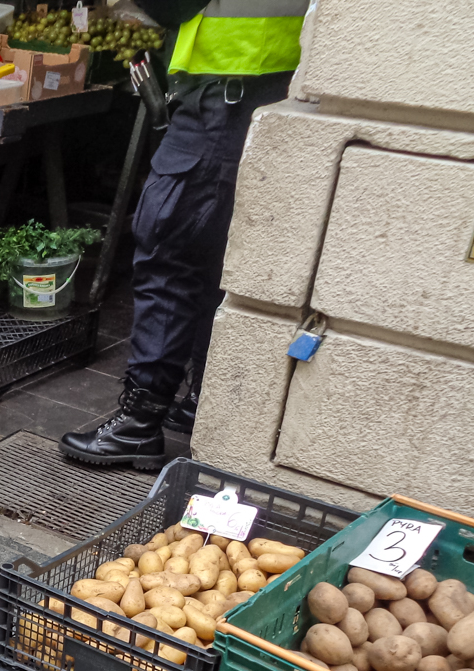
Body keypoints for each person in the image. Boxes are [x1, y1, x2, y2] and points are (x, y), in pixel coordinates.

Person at [60, 0, 307, 470]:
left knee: (168, 255)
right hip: (260, 95)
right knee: (214, 259)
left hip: (223, 104)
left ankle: (139, 425)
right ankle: (198, 399)